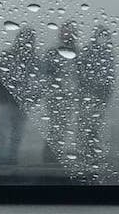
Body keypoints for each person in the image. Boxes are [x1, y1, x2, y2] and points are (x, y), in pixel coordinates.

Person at [0, 26, 41, 165]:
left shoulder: (33, 60)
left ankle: (10, 156)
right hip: (8, 100)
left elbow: (38, 83)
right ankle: (2, 156)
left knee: (15, 132)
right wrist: (1, 96)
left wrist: (33, 98)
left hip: (21, 102)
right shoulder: (10, 56)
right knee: (4, 130)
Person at [75, 24, 115, 165]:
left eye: (106, 36)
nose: (103, 39)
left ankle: (90, 150)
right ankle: (85, 150)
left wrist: (108, 92)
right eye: (101, 35)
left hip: (102, 93)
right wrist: (86, 89)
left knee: (95, 124)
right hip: (89, 93)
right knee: (87, 122)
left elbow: (110, 74)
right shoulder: (88, 51)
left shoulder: (108, 52)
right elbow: (80, 72)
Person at [41, 21, 78, 162]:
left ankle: (60, 153)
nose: (67, 34)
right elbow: (46, 72)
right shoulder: (53, 51)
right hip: (55, 94)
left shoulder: (78, 51)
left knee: (67, 124)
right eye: (64, 31)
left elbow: (81, 74)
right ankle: (50, 155)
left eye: (69, 31)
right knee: (56, 125)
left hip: (71, 93)